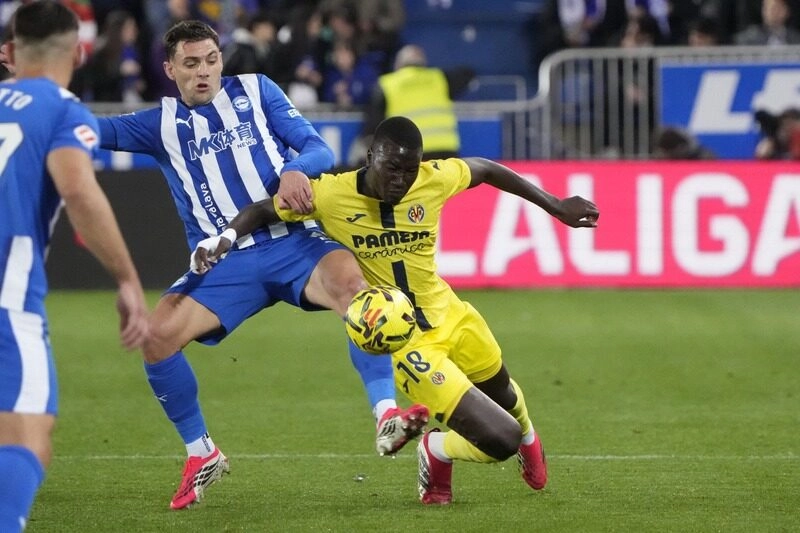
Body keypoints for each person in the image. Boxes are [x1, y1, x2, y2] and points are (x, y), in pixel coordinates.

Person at [96, 20, 427, 510]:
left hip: (294, 240)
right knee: (157, 336)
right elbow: (85, 129)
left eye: (210, 59)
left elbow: (318, 147)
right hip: (226, 259)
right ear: (170, 70)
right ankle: (201, 453)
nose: (203, 72)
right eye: (191, 64)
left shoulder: (257, 91)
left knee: (359, 295)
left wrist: (297, 168)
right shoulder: (157, 124)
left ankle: (386, 417)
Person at [192, 116, 600, 504]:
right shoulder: (333, 194)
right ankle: (437, 446)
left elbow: (487, 169)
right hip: (406, 343)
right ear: (371, 157)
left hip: (451, 314)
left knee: (507, 396)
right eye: (393, 168)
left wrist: (554, 205)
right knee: (499, 440)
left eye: (409, 170)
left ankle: (528, 438)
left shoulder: (433, 179)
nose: (402, 181)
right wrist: (225, 237)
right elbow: (265, 210)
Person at [0, 2, 149, 531]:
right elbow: (80, 194)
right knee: (29, 438)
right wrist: (129, 280)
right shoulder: (63, 111)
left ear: (10, 53)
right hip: (6, 302)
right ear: (80, 52)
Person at [349, 44, 475, 167]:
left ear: (398, 64)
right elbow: (469, 74)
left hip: (411, 153)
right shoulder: (439, 78)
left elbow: (373, 124)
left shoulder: (387, 84)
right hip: (447, 152)